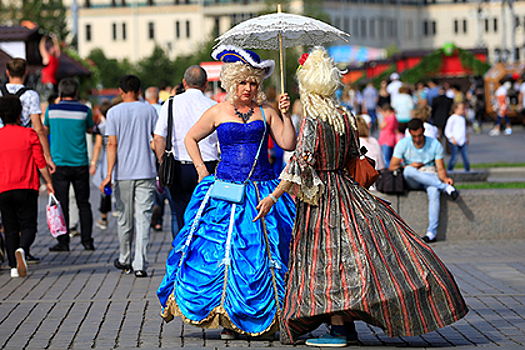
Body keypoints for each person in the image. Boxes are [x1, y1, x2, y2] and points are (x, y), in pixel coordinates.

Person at [254, 48, 468, 347]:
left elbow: (301, 163)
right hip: (348, 191)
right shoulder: (345, 115)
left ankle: (340, 330)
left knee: (327, 261)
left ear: (308, 85)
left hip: (322, 199)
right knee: (349, 260)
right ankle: (346, 328)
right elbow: (356, 156)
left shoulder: (313, 120)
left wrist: (274, 196)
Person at [157, 45, 296, 340]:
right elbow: (190, 137)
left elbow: (287, 143)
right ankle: (227, 319)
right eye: (243, 82)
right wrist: (201, 171)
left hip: (262, 192)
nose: (248, 88)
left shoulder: (266, 110)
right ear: (232, 82)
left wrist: (287, 115)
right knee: (224, 254)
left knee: (262, 255)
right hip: (225, 191)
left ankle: (265, 318)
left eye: (253, 83)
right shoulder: (218, 110)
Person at [100, 75, 158, 278]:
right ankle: (140, 263)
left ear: (121, 90)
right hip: (146, 170)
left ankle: (125, 257)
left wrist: (108, 174)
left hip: (122, 173)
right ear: (139, 91)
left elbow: (112, 144)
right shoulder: (149, 110)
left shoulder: (114, 113)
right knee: (144, 218)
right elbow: (156, 139)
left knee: (124, 219)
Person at [153, 66, 218, 238]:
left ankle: (180, 253)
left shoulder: (171, 103)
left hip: (178, 165)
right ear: (205, 84)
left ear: (184, 83)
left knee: (178, 214)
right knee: (206, 214)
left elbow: (158, 138)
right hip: (208, 165)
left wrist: (162, 161)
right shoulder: (214, 106)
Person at [0, 95, 54, 278]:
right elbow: (40, 163)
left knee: (10, 227)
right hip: (27, 187)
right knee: (29, 225)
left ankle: (14, 267)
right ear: (19, 114)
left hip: (3, 188)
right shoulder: (29, 134)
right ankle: (22, 249)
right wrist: (49, 182)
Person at [44, 78, 95, 252]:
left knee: (61, 203)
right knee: (84, 203)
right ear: (76, 92)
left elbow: (46, 130)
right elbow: (90, 129)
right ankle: (87, 241)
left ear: (60, 93)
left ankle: (63, 242)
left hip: (59, 164)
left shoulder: (51, 110)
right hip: (80, 162)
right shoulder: (84, 110)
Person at [390, 118, 460, 243]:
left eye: (419, 136)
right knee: (408, 171)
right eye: (414, 136)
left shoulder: (435, 144)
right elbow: (392, 166)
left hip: (430, 175)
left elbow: (440, 169)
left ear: (424, 131)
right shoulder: (403, 144)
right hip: (413, 177)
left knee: (434, 191)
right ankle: (445, 188)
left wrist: (445, 179)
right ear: (410, 133)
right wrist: (410, 165)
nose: (417, 139)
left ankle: (431, 233)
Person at [0, 58, 55, 174]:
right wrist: (47, 156)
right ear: (25, 72)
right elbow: (39, 129)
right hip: (24, 144)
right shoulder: (31, 95)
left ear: (7, 72)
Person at [90, 100, 114, 230]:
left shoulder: (101, 127)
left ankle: (104, 217)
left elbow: (98, 145)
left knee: (104, 188)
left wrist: (93, 163)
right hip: (118, 158)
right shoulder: (116, 125)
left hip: (106, 158)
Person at [445, 102, 470, 172]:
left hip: (462, 140)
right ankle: (449, 170)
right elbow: (447, 131)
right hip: (454, 141)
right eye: (461, 109)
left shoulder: (462, 118)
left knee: (465, 157)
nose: (463, 110)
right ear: (455, 109)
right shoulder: (452, 118)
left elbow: (464, 130)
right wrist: (452, 138)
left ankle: (467, 170)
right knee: (454, 157)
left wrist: (467, 138)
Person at [378, 103, 398, 168]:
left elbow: (381, 126)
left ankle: (388, 172)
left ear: (387, 111)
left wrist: (384, 119)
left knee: (386, 158)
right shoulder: (394, 118)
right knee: (390, 157)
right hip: (392, 139)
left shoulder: (388, 118)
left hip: (386, 140)